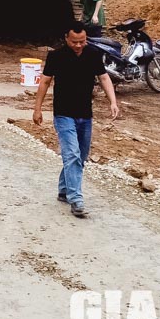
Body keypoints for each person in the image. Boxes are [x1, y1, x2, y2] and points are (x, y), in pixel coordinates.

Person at [32, 22, 121, 218]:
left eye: (82, 41)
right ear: (66, 38)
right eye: (74, 42)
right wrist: (37, 109)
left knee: (80, 156)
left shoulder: (93, 54)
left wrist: (113, 102)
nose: (79, 45)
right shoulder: (56, 56)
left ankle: (64, 190)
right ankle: (76, 199)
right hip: (63, 114)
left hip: (85, 114)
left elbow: (104, 78)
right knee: (71, 154)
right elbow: (45, 82)